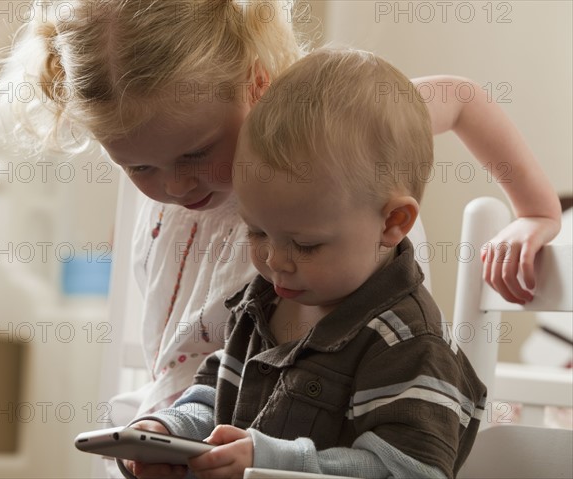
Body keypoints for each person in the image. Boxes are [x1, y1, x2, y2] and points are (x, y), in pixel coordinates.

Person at [0, 1, 558, 475]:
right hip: (209, 419)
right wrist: (167, 428)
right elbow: (213, 371)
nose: (175, 184)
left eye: (196, 153)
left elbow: (459, 96)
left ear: (254, 82)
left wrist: (535, 210)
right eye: (139, 167)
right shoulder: (237, 270)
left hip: (312, 433)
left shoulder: (322, 126)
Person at [119, 48, 487, 479]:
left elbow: (409, 471)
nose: (274, 260)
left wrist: (272, 464)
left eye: (305, 245)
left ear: (392, 222)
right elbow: (217, 390)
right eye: (256, 233)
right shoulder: (264, 303)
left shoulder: (409, 345)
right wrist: (169, 430)